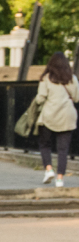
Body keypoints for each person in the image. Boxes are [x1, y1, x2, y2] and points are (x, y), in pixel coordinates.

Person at [35, 51, 79, 188]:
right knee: (63, 149)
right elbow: (77, 98)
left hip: (49, 115)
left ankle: (49, 170)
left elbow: (40, 98)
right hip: (67, 116)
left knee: (44, 144)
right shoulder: (72, 78)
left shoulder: (46, 78)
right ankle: (60, 179)